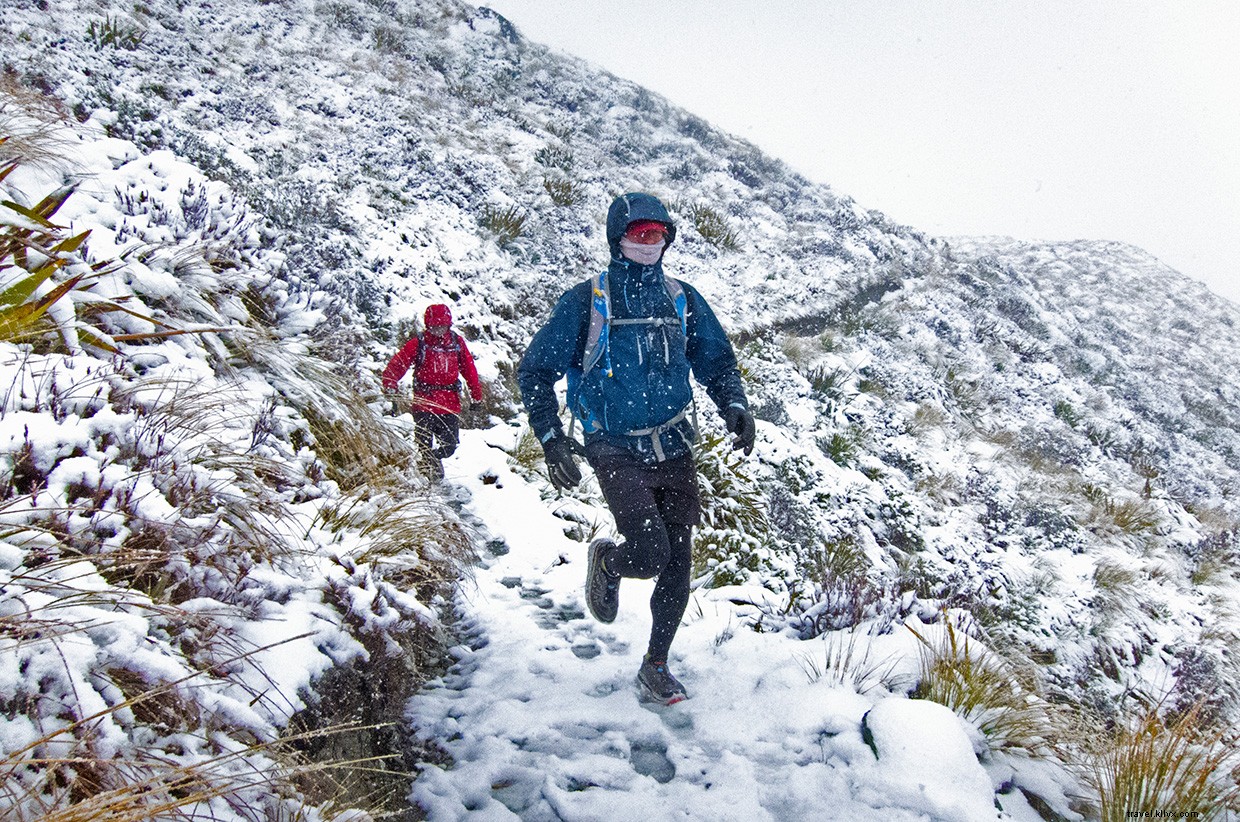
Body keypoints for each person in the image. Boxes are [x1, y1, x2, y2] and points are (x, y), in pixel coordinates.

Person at [517, 192, 755, 705]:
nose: (650, 243)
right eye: (639, 233)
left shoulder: (681, 298)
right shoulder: (588, 301)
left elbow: (716, 360)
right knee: (648, 553)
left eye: (658, 234)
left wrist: (733, 403)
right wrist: (551, 436)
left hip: (674, 442)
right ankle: (608, 561)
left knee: (678, 562)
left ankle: (656, 665)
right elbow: (535, 370)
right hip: (612, 444)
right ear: (616, 238)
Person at [382, 303, 483, 481]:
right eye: (435, 327)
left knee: (450, 446)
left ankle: (434, 460)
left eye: (442, 326)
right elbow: (398, 364)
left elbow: (469, 370)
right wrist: (390, 384)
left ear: (448, 325)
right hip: (424, 403)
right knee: (423, 443)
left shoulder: (456, 343)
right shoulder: (419, 343)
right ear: (428, 326)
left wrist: (476, 396)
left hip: (449, 404)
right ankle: (427, 472)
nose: (439, 330)